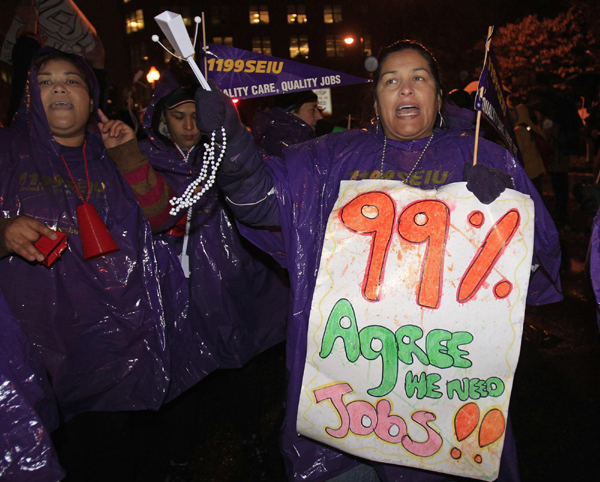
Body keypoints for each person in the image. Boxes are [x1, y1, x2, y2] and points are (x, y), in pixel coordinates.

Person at [194, 40, 562, 481]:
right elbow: (261, 204)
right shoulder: (330, 159)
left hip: (443, 393)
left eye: (419, 79)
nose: (405, 89)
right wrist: (232, 146)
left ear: (438, 97)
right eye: (391, 81)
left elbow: (535, 272)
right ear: (376, 100)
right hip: (347, 397)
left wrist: (507, 218)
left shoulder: (484, 156)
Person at [0, 48, 215, 480]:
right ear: (27, 95)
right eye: (45, 80)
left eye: (72, 80)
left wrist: (128, 157)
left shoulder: (112, 152)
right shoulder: (6, 151)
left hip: (113, 341)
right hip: (32, 346)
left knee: (108, 455)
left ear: (90, 98)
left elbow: (163, 215)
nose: (60, 86)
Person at [138, 67, 289, 480]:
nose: (190, 125)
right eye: (178, 116)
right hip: (177, 287)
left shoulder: (225, 157)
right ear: (161, 122)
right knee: (183, 377)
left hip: (228, 281)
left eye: (196, 115)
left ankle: (251, 439)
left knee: (241, 367)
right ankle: (179, 456)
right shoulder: (145, 162)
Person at [252, 90, 323, 157]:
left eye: (319, 109)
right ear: (292, 113)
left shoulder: (273, 136)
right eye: (312, 109)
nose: (319, 117)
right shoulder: (292, 143)